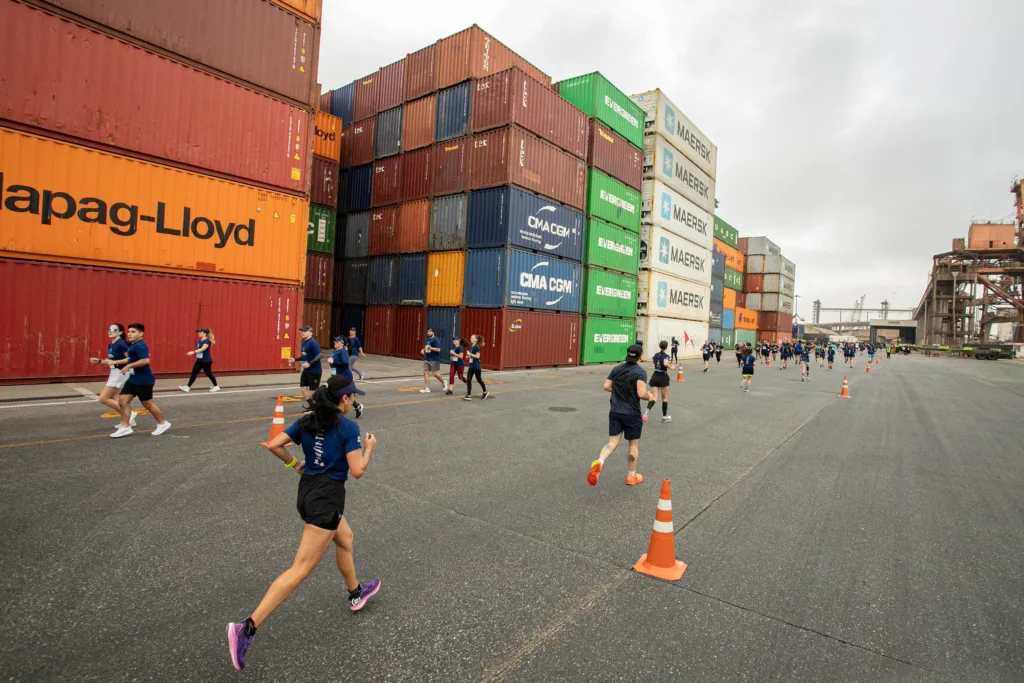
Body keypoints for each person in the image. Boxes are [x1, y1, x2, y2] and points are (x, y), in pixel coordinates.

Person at [227, 375, 379, 671]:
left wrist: (295, 464)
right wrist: (369, 446)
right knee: (300, 569)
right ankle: (246, 628)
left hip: (307, 491)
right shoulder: (348, 428)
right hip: (327, 502)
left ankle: (355, 593)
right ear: (344, 400)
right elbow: (357, 470)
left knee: (346, 538)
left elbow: (274, 445)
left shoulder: (309, 420)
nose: (352, 402)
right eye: (351, 398)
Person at [587, 344, 650, 487]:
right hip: (632, 413)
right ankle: (631, 476)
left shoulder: (617, 369)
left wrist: (619, 391)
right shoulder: (640, 372)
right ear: (640, 357)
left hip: (615, 411)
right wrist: (650, 396)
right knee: (633, 444)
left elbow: (606, 386)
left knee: (612, 443)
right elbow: (641, 393)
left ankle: (600, 462)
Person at [111, 323, 170, 438]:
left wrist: (128, 366)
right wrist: (114, 362)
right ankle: (125, 427)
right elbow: (130, 358)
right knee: (123, 401)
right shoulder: (134, 345)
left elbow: (145, 361)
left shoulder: (140, 345)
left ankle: (162, 423)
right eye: (129, 332)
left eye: (133, 332)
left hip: (144, 380)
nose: (130, 334)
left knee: (147, 404)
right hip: (133, 379)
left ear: (141, 334)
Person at [89, 322, 133, 422]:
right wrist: (100, 361)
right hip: (114, 372)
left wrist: (115, 362)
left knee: (103, 398)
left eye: (113, 330)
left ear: (120, 332)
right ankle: (128, 419)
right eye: (109, 329)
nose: (110, 332)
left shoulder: (121, 344)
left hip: (120, 372)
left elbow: (131, 359)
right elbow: (111, 361)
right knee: (113, 397)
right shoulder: (112, 345)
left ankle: (129, 414)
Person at [327, 336, 363, 418]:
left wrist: (333, 362)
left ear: (341, 343)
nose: (334, 342)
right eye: (334, 341)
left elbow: (345, 363)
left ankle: (337, 412)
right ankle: (357, 406)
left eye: (336, 341)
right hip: (337, 376)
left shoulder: (343, 351)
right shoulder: (335, 351)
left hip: (344, 377)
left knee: (342, 393)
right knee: (342, 393)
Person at [179, 328, 219, 393]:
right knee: (194, 373)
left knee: (209, 374)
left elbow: (203, 349)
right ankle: (187, 387)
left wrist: (193, 352)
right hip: (199, 360)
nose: (199, 333)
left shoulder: (206, 341)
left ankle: (216, 386)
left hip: (206, 361)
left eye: (200, 332)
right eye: (198, 332)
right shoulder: (200, 340)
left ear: (204, 333)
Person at [643, 340, 672, 424]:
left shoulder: (656, 355)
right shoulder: (666, 355)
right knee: (664, 398)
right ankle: (664, 417)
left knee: (654, 397)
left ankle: (647, 411)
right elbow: (665, 363)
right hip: (663, 376)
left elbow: (653, 362)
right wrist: (671, 367)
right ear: (666, 347)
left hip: (655, 376)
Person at [292, 326, 323, 402]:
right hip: (306, 371)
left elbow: (320, 355)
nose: (302, 333)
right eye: (302, 331)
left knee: (313, 392)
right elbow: (305, 356)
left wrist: (309, 364)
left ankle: (320, 406)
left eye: (304, 331)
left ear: (310, 333)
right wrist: (295, 359)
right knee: (303, 388)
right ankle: (312, 406)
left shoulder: (313, 343)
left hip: (314, 371)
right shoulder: (304, 343)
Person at [420, 328, 448, 394]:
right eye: (428, 332)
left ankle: (444, 382)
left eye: (430, 332)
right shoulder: (427, 339)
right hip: (427, 359)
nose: (429, 333)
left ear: (433, 333)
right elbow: (426, 347)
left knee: (434, 373)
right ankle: (427, 388)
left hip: (434, 359)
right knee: (425, 373)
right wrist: (423, 349)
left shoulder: (436, 340)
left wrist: (430, 348)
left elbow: (438, 350)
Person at [463, 334, 488, 400]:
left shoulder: (476, 347)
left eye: (473, 338)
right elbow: (473, 356)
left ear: (476, 340)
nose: (471, 339)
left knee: (479, 380)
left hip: (476, 366)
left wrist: (469, 354)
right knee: (468, 380)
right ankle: (468, 395)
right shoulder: (472, 347)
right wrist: (468, 356)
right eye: (471, 338)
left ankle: (485, 391)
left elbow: (477, 356)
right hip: (471, 366)